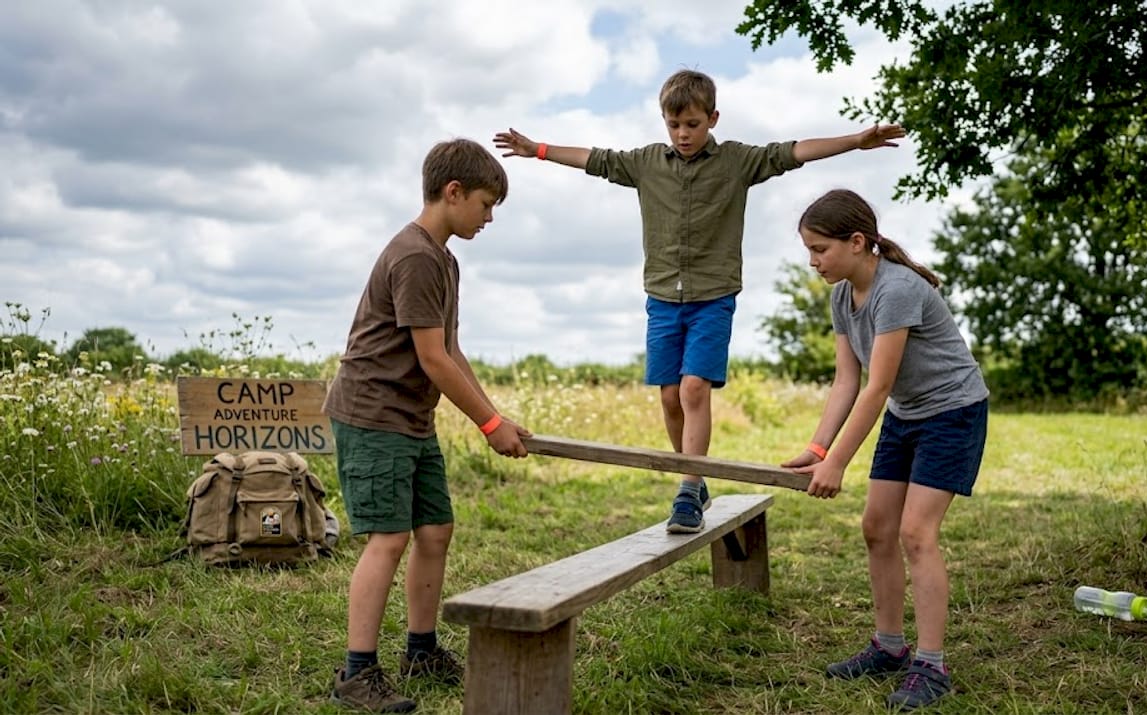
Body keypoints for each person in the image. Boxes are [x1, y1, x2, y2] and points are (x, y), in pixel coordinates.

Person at [494, 69, 905, 534]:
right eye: (674, 125)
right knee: (670, 397)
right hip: (663, 298)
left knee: (693, 389)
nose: (683, 134)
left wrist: (854, 140)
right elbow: (596, 159)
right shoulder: (647, 163)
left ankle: (688, 486)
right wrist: (539, 150)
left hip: (713, 298)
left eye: (692, 124)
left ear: (712, 118)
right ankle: (694, 477)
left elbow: (793, 153)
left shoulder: (736, 162)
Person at [323, 138, 531, 713]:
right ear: (453, 192)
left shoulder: (445, 259)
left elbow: (452, 350)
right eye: (486, 205)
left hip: (412, 419)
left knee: (434, 531)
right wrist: (489, 427)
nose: (489, 218)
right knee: (388, 539)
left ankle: (421, 649)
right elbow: (430, 360)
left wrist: (497, 416)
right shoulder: (414, 256)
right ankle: (356, 674)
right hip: (373, 415)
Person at [783, 189, 988, 711]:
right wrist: (817, 447)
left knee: (916, 534)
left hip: (952, 412)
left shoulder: (896, 289)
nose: (813, 262)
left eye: (820, 249)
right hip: (906, 415)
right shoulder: (840, 297)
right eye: (808, 250)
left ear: (857, 242)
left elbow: (878, 385)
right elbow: (846, 381)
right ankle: (890, 648)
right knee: (876, 527)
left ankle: (932, 665)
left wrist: (838, 462)